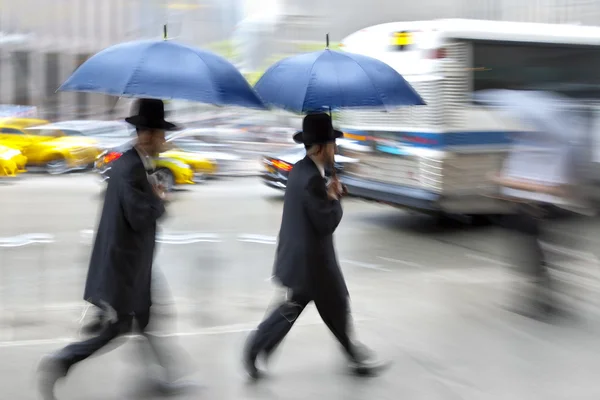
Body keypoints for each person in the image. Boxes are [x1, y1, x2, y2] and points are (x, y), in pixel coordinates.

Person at [37, 99, 192, 399]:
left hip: (135, 263)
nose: (164, 140)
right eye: (161, 134)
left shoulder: (134, 164)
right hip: (125, 268)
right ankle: (62, 361)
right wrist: (161, 200)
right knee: (118, 328)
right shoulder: (130, 168)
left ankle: (159, 378)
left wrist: (154, 191)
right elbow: (138, 217)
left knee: (146, 319)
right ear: (146, 134)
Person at [243, 113, 388, 379]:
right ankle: (255, 348)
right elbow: (325, 223)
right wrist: (334, 198)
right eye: (333, 144)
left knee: (333, 307)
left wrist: (327, 191)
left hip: (308, 262)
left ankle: (354, 357)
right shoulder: (311, 179)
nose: (336, 149)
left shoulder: (301, 169)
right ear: (321, 147)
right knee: (296, 310)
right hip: (311, 265)